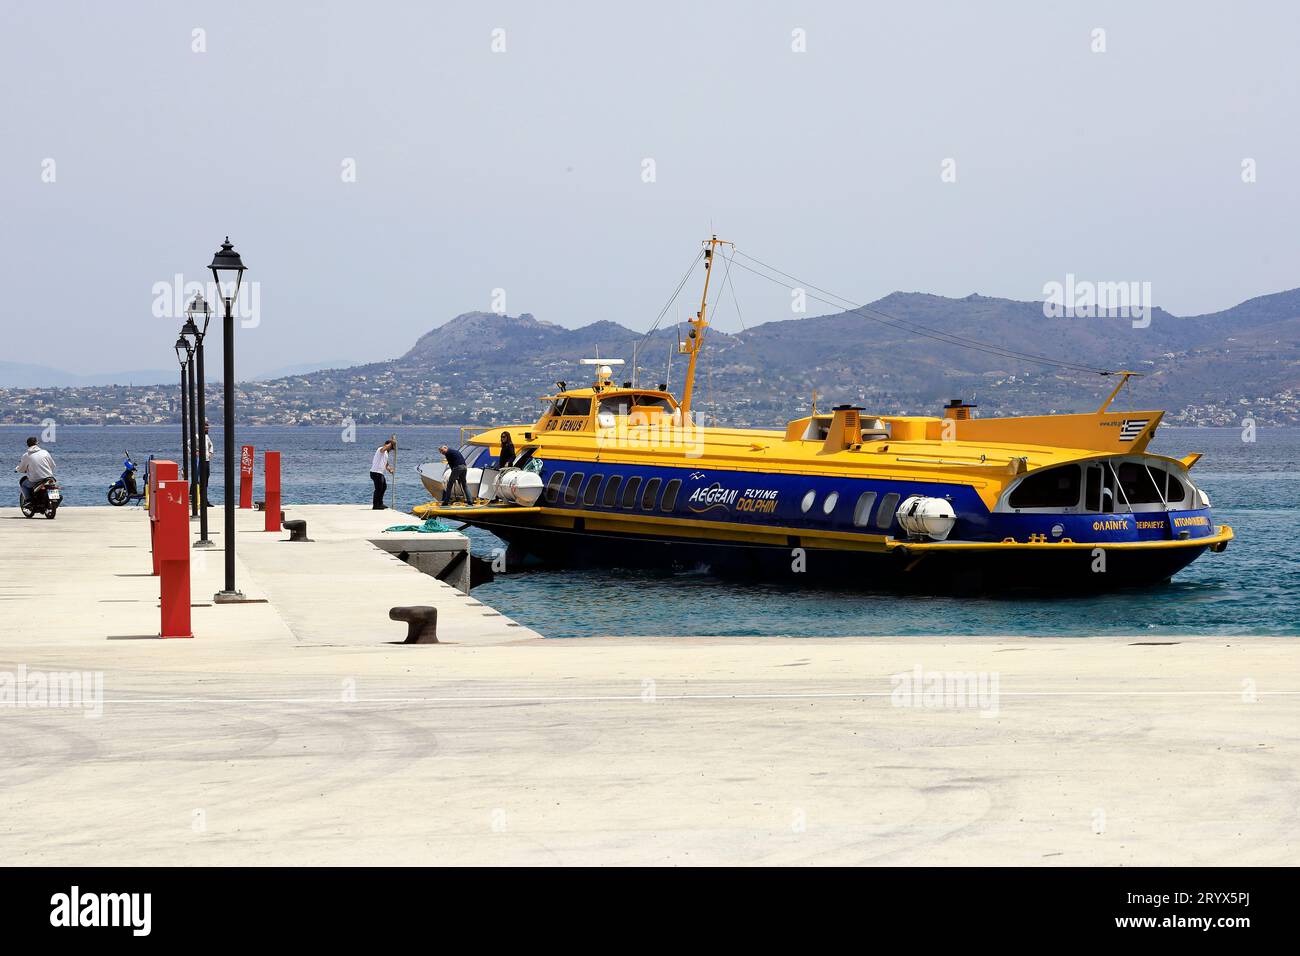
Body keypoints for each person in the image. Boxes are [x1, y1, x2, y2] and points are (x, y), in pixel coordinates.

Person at [15, 436, 55, 503]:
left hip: (35, 480)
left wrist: (17, 469)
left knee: (23, 483)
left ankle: (28, 500)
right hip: (48, 478)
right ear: (37, 443)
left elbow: (21, 469)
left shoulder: (26, 455)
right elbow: (53, 465)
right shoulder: (45, 452)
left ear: (28, 445)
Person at [370, 438, 396, 509]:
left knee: (384, 487)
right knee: (378, 489)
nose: (391, 449)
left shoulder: (386, 453)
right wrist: (391, 443)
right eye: (391, 448)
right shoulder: (380, 449)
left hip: (380, 473)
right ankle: (376, 505)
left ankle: (380, 503)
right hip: (375, 472)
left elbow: (386, 464)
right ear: (387, 445)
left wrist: (390, 470)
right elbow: (383, 449)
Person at [201, 422, 214, 508]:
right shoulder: (197, 436)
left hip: (207, 460)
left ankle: (205, 500)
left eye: (208, 428)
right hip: (200, 461)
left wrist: (210, 452)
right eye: (206, 428)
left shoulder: (207, 436)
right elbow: (188, 443)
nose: (207, 430)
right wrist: (195, 452)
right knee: (201, 480)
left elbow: (211, 445)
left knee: (206, 480)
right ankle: (201, 499)